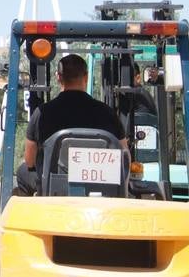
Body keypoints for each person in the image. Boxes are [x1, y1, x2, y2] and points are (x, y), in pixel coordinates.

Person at [16, 53, 129, 196]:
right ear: (86, 77)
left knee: (22, 172)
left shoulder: (42, 113)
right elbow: (124, 154)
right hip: (101, 186)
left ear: (58, 77)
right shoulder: (108, 113)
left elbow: (30, 160)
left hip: (55, 185)